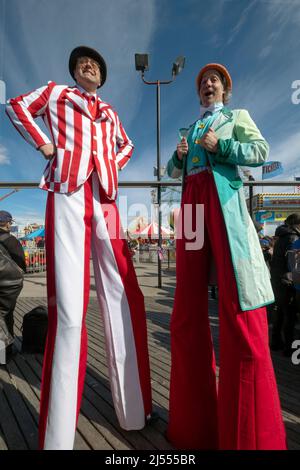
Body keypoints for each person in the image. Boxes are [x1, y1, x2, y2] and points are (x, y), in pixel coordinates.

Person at [6, 46, 152, 449]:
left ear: (102, 77)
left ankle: (135, 411)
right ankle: (57, 437)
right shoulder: (55, 93)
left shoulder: (110, 111)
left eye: (96, 64)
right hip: (67, 192)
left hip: (105, 199)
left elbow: (128, 146)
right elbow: (16, 106)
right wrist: (43, 145)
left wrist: (111, 163)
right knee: (70, 310)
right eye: (82, 62)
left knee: (121, 297)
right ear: (73, 71)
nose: (89, 66)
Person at [166, 63, 286, 450]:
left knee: (238, 302)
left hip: (223, 201)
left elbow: (261, 151)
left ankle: (248, 434)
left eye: (214, 80)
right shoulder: (190, 128)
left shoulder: (237, 117)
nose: (208, 84)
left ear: (225, 90)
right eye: (202, 82)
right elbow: (172, 171)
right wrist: (178, 157)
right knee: (186, 307)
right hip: (191, 207)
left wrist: (224, 147)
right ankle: (193, 425)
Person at [270, 213, 300, 356]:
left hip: (277, 280)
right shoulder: (293, 238)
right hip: (288, 282)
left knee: (280, 313)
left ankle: (275, 342)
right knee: (290, 316)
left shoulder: (281, 237)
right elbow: (293, 265)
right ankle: (289, 348)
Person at [0, 210, 26, 364]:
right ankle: (4, 354)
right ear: (8, 223)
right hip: (7, 286)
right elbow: (22, 266)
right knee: (5, 315)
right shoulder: (11, 241)